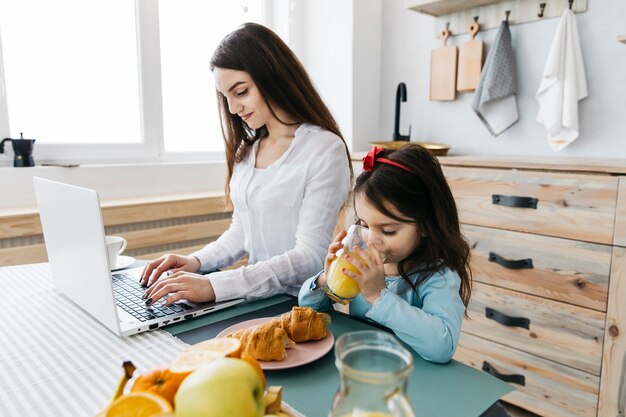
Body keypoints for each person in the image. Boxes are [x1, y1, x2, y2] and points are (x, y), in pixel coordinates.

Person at [141, 22, 352, 306]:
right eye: (225, 97)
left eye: (240, 92)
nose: (232, 108)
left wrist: (215, 285)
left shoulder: (324, 150)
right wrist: (195, 261)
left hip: (301, 303)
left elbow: (310, 255)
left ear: (273, 76)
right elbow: (242, 230)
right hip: (253, 298)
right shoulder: (247, 150)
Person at [298, 145, 472, 363]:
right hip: (363, 368)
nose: (371, 240)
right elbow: (307, 311)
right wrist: (326, 279)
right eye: (364, 224)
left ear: (426, 226)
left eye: (388, 231)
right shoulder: (362, 264)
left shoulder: (438, 278)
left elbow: (442, 347)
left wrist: (378, 296)